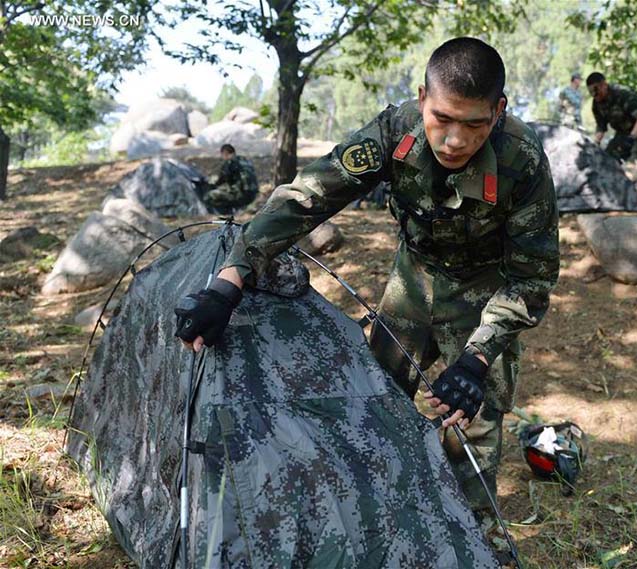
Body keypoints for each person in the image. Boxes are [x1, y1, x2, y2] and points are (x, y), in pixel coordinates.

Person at [174, 37, 559, 531]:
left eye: (475, 124)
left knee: (473, 420)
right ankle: (369, 516)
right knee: (370, 395)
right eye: (442, 118)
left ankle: (476, 537)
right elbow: (307, 198)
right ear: (422, 98)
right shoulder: (394, 131)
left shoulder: (522, 160)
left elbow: (533, 278)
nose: (455, 140)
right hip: (413, 280)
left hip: (487, 292)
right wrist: (229, 282)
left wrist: (477, 358)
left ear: (499, 110)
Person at [586, 72, 637, 207]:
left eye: (596, 90)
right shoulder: (596, 104)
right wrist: (595, 145)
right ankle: (610, 191)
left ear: (604, 85)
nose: (595, 95)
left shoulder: (623, 94)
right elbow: (601, 128)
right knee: (608, 157)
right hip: (622, 131)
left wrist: (631, 138)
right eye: (591, 92)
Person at [202, 144, 259, 213]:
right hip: (253, 195)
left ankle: (229, 210)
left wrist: (210, 184)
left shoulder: (230, 163)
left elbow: (221, 180)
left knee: (208, 196)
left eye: (222, 155)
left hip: (242, 196)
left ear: (225, 154)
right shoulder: (244, 160)